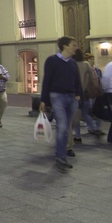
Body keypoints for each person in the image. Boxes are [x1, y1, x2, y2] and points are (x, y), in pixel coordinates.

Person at [39, 36, 82, 172]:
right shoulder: (52, 61)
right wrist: (43, 100)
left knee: (67, 127)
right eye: (73, 45)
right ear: (65, 46)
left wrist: (79, 95)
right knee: (62, 127)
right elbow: (47, 80)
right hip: (57, 96)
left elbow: (77, 80)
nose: (76, 47)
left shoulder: (73, 63)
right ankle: (60, 157)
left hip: (72, 97)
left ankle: (62, 155)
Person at [80, 52, 104, 136]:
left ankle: (98, 128)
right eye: (90, 59)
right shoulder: (84, 70)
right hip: (87, 93)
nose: (92, 61)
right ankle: (91, 127)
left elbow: (100, 80)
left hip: (96, 92)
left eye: (93, 59)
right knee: (86, 111)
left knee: (97, 110)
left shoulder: (97, 70)